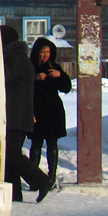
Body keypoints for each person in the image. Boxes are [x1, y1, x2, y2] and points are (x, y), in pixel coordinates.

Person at [1, 26, 54, 203]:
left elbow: (4, 77)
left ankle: (42, 180)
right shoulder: (20, 58)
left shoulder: (15, 59)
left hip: (16, 116)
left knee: (11, 153)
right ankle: (14, 194)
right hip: (18, 115)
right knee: (9, 157)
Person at [28, 36, 72, 189]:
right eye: (42, 52)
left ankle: (51, 177)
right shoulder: (31, 67)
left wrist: (61, 76)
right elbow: (24, 86)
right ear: (37, 53)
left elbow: (66, 88)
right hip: (37, 110)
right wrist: (35, 78)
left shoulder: (55, 68)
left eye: (48, 52)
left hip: (53, 111)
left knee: (52, 144)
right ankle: (34, 179)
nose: (45, 55)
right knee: (36, 144)